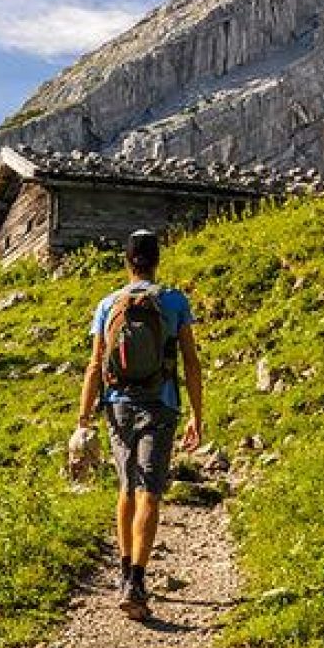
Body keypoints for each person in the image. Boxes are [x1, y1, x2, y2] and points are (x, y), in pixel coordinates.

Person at [77, 229, 203, 621]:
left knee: (126, 487)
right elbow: (190, 362)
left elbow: (96, 363)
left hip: (117, 407)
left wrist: (83, 417)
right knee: (151, 489)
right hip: (160, 405)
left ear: (127, 261)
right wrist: (198, 416)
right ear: (157, 260)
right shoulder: (174, 301)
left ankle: (124, 571)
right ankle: (137, 580)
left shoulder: (107, 304)